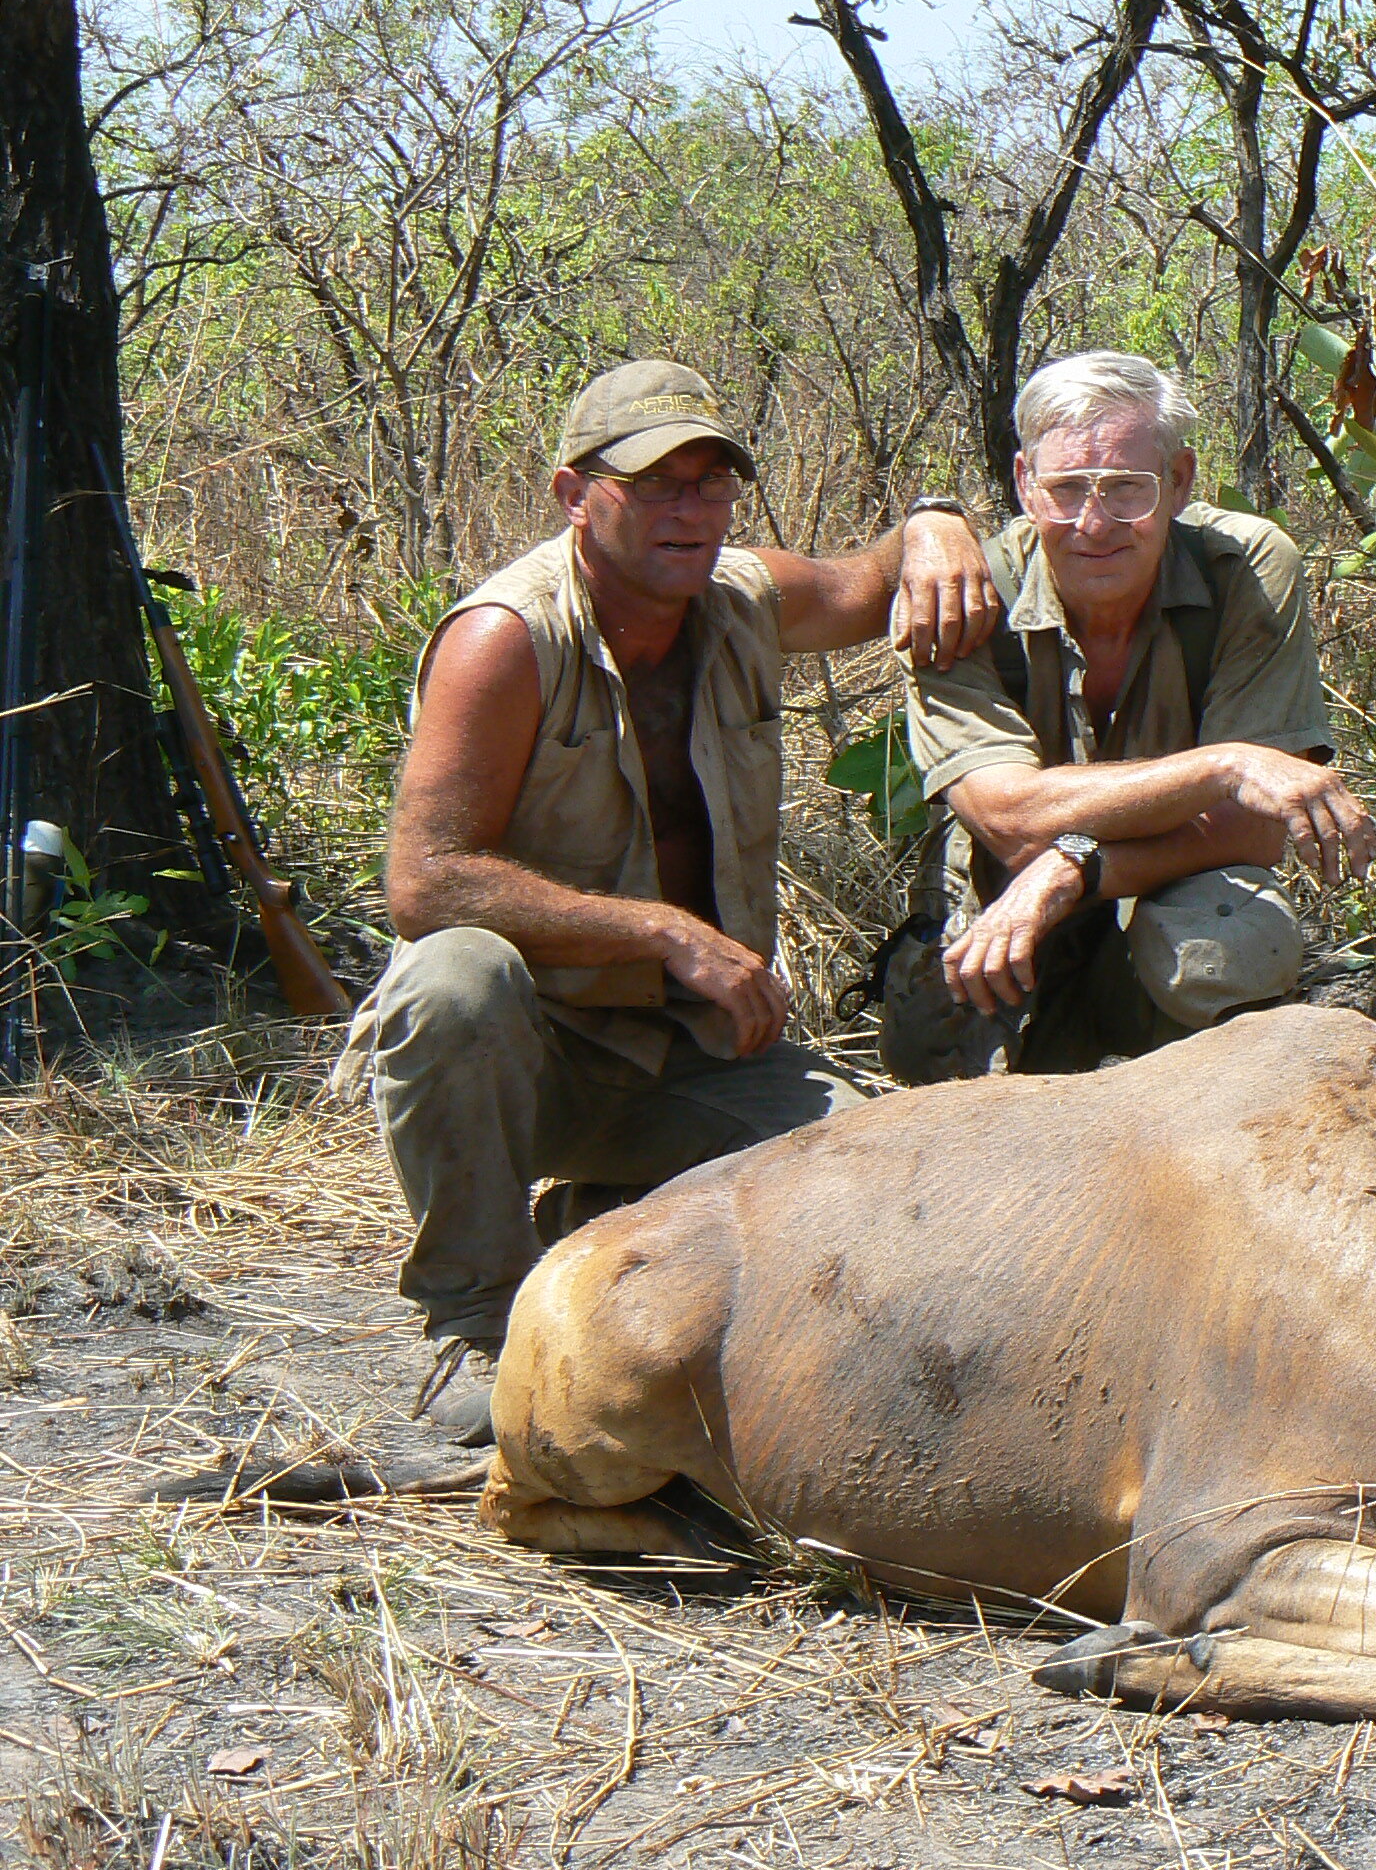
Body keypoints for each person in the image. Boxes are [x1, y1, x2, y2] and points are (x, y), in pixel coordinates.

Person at [341, 359, 1001, 1444]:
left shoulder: (740, 597)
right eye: (655, 485)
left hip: (695, 1055)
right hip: (536, 1060)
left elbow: (865, 582)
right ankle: (483, 1326)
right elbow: (426, 880)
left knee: (885, 1183)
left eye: (710, 484)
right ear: (573, 494)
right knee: (452, 979)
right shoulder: (505, 638)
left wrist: (934, 522)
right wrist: (663, 931)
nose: (689, 510)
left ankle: (603, 1220)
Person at [893, 351, 1376, 1079]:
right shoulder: (960, 596)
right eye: (1066, 489)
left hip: (1161, 894)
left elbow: (1251, 828)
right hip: (1005, 902)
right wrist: (1227, 765)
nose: (1094, 522)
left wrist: (1075, 869)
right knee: (950, 1074)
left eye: (1127, 489)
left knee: (1227, 941)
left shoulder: (1244, 567)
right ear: (1026, 483)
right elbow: (1008, 816)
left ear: (1179, 482)